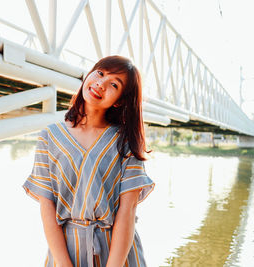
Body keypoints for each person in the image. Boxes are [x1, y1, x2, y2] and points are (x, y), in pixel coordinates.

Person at [23, 55, 155, 267]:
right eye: (100, 73)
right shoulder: (50, 136)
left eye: (114, 84)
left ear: (120, 100)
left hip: (117, 254)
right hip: (65, 251)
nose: (101, 84)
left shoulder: (125, 141)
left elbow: (127, 211)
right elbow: (46, 206)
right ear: (89, 74)